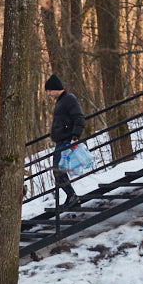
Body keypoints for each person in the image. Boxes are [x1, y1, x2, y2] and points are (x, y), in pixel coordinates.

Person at [44, 74, 84, 207]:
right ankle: (71, 195)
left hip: (67, 141)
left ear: (56, 88)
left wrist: (75, 137)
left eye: (49, 90)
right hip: (61, 141)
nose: (48, 94)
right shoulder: (61, 101)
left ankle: (71, 195)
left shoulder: (69, 99)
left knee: (58, 170)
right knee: (57, 171)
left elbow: (79, 118)